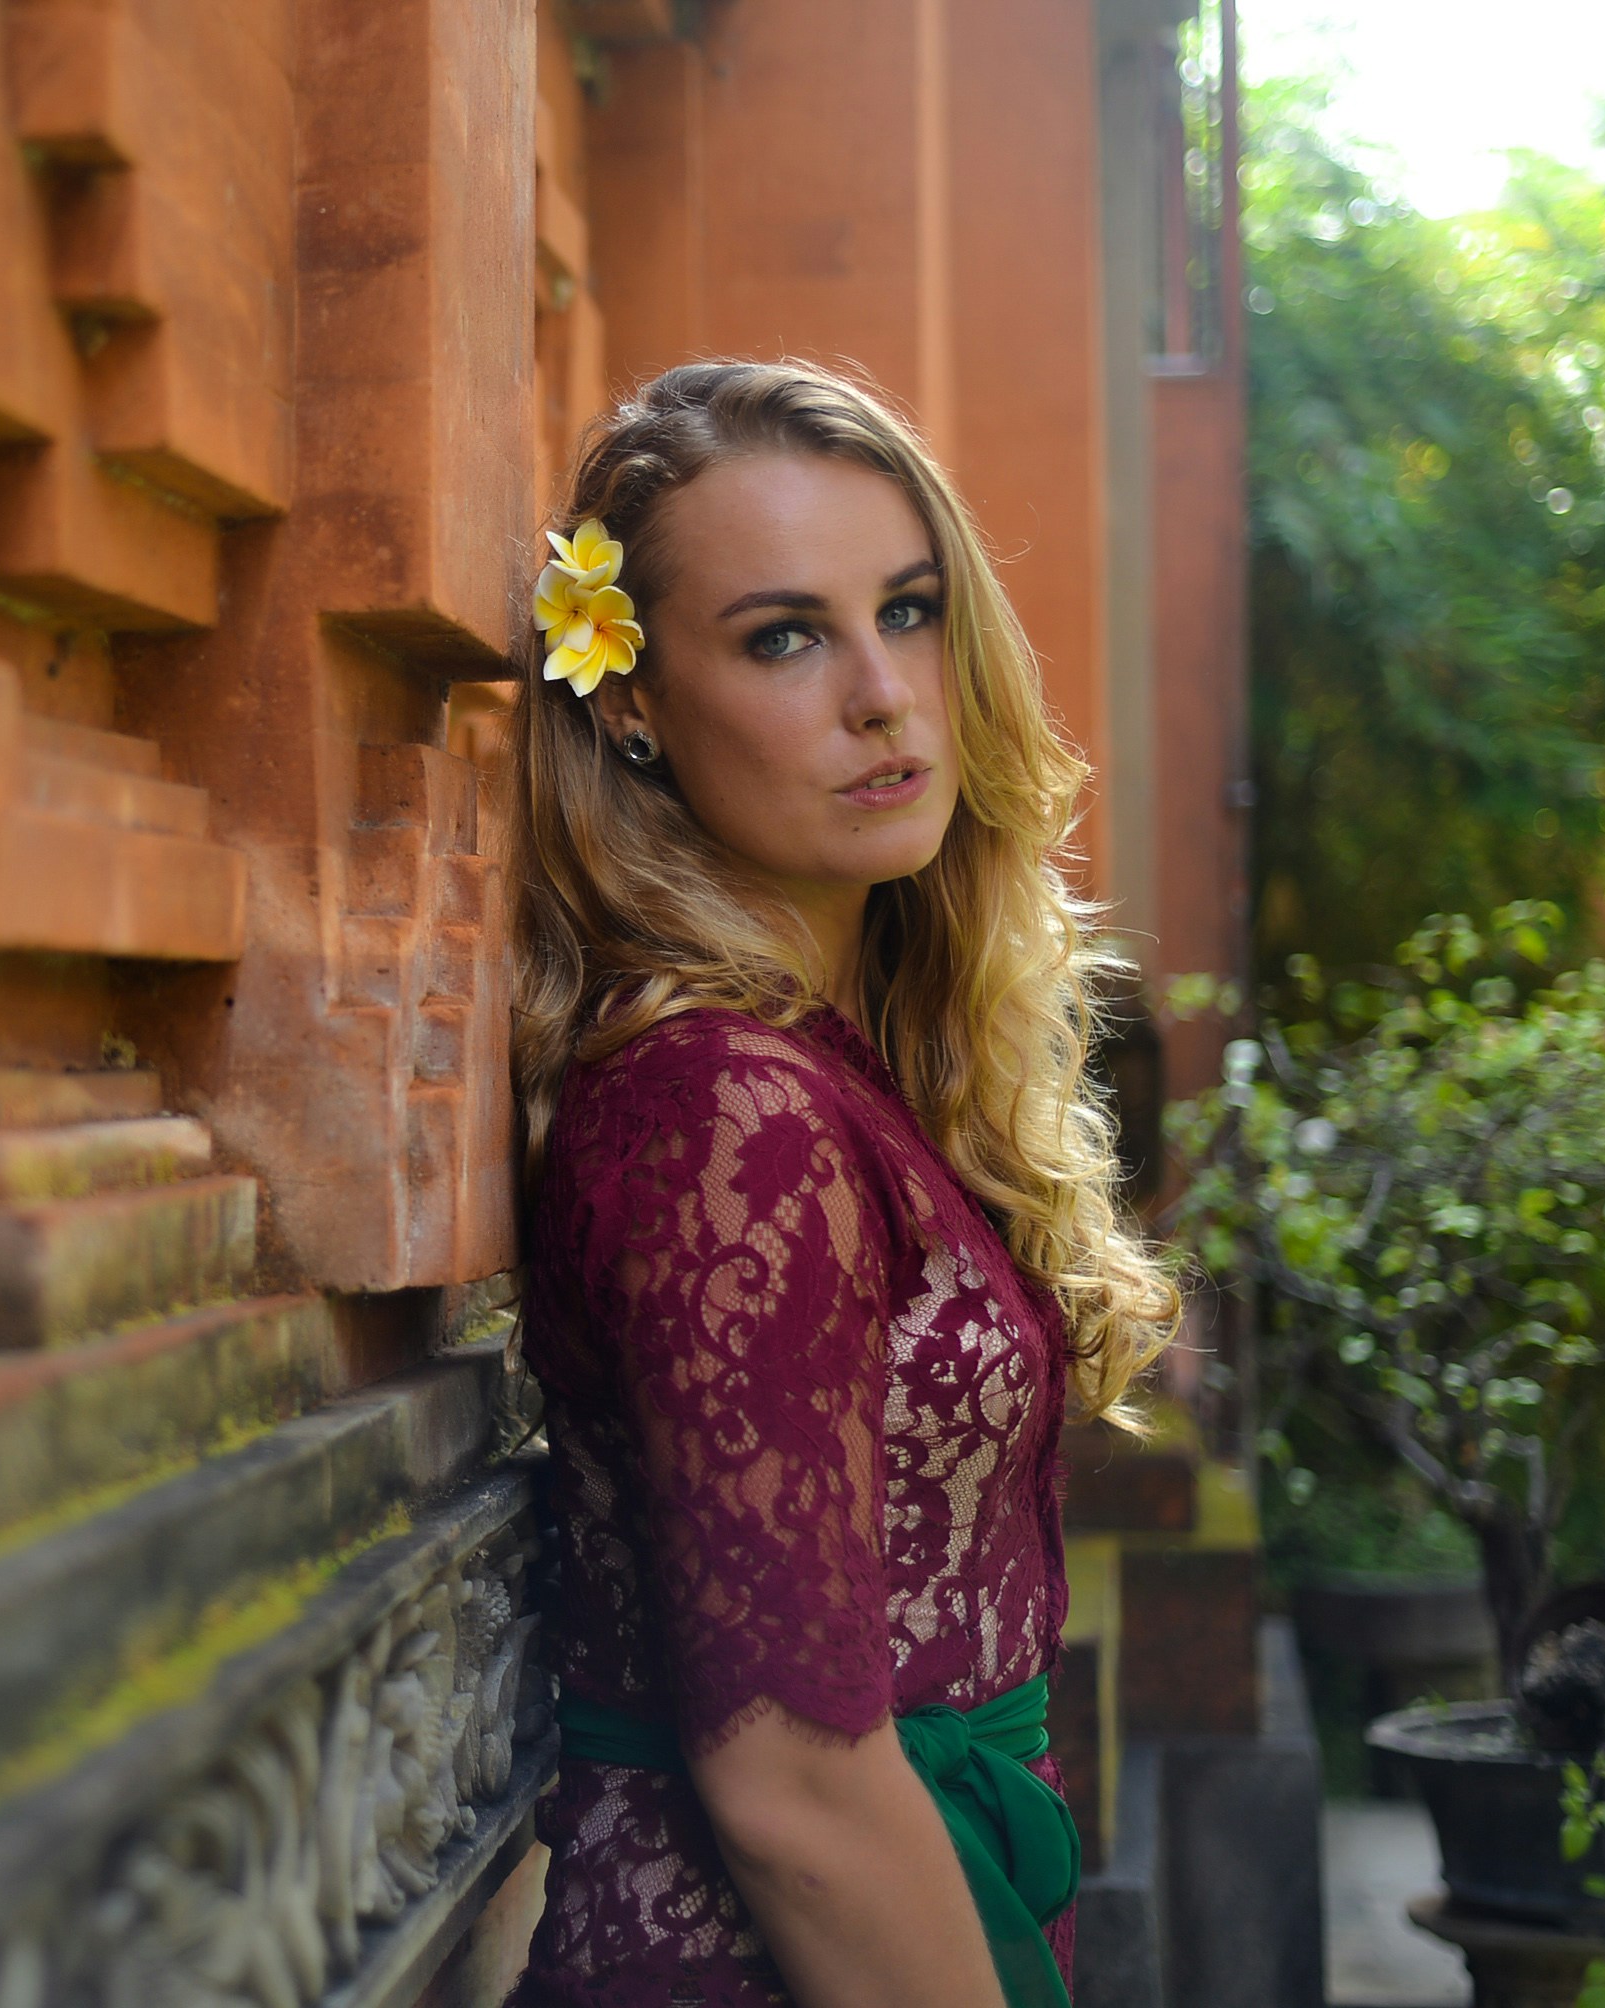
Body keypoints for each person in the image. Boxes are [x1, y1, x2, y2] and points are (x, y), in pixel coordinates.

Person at [503, 361, 1181, 2008]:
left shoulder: (845, 1063)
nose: (886, 694)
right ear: (631, 701)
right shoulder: (720, 1113)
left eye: (912, 609)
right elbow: (795, 1785)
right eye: (785, 636)